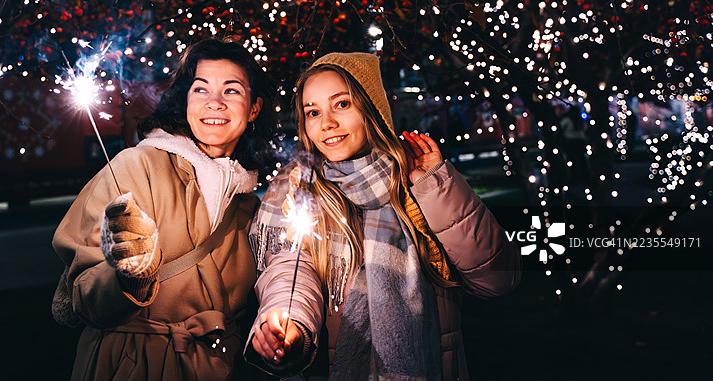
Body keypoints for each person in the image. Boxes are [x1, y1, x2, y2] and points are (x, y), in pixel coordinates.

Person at [246, 52, 521, 380]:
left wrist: (436, 186)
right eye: (313, 112)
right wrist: (288, 321)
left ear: (371, 107)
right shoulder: (298, 190)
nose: (327, 123)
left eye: (342, 104)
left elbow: (498, 279)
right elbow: (291, 271)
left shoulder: (418, 181)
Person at [52, 38, 275, 381]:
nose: (214, 103)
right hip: (131, 364)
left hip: (220, 367)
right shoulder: (135, 167)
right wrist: (128, 276)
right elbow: (84, 295)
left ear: (254, 108)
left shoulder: (248, 203)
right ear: (185, 99)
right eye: (201, 90)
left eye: (231, 91)